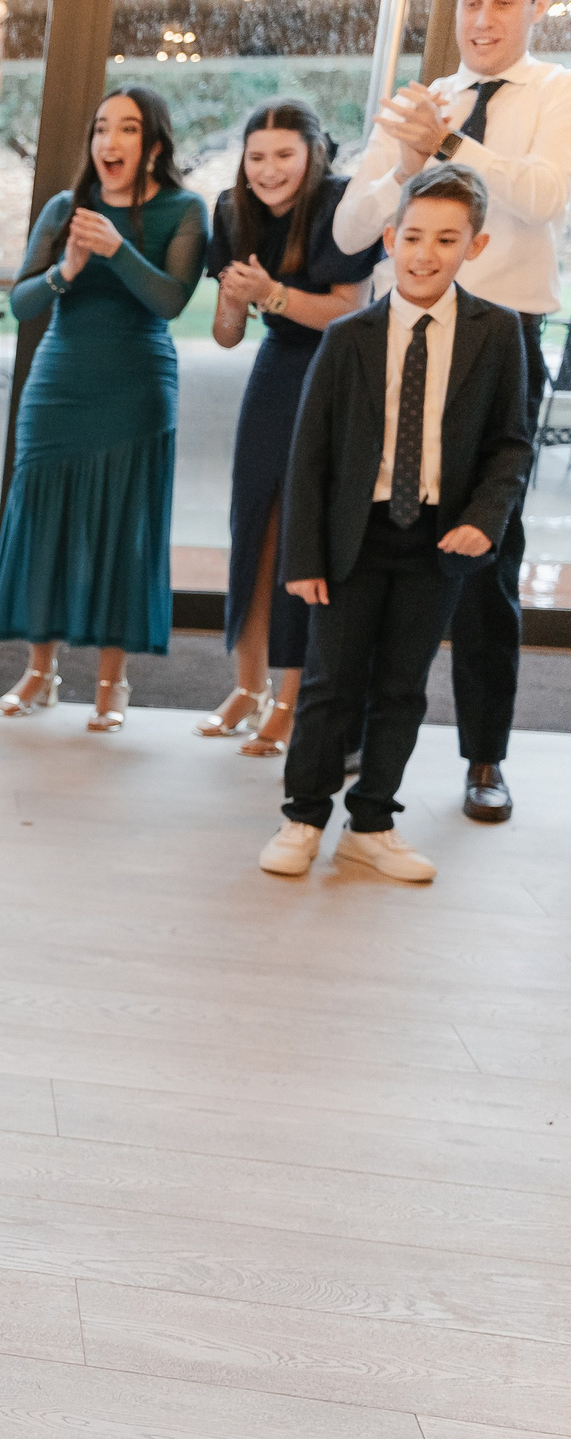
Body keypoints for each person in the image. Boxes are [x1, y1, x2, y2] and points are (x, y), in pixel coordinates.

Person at [334, 0, 571, 824]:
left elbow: (541, 198)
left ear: (534, 11)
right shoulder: (419, 101)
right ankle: (357, 730)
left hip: (499, 342)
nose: (484, 17)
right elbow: (352, 225)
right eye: (471, 1)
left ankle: (484, 756)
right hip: (400, 336)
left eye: (503, 2)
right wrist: (403, 162)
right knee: (375, 534)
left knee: (487, 551)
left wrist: (449, 146)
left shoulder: (553, 91)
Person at [259, 164, 530, 884]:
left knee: (405, 687)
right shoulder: (350, 337)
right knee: (330, 682)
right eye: (413, 236)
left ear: (475, 246)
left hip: (438, 539)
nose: (425, 253)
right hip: (355, 535)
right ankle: (303, 816)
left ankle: (371, 823)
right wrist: (303, 555)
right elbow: (309, 453)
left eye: (446, 239)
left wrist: (484, 518)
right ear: (389, 238)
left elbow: (511, 443)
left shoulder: (496, 333)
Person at [0, 86, 207, 732]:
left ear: (155, 145)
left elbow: (169, 300)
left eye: (127, 129)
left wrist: (117, 250)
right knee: (44, 524)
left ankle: (114, 682)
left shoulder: (186, 210)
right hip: (59, 384)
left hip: (136, 387)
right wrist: (67, 270)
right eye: (101, 128)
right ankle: (40, 671)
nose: (110, 142)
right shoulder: (65, 207)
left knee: (122, 529)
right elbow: (23, 303)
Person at [202, 100, 378, 756]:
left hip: (336, 374)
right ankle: (247, 687)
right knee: (255, 524)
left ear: (313, 157)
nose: (269, 169)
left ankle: (292, 698)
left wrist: (270, 293)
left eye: (284, 155)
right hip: (276, 370)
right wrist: (233, 297)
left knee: (307, 534)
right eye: (257, 156)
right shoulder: (230, 210)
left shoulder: (341, 204)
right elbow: (225, 338)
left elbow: (345, 310)